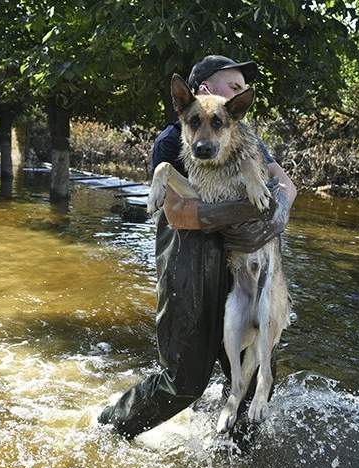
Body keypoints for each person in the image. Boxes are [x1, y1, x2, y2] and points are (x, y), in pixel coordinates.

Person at [98, 55, 297, 441]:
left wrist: (278, 215)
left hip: (238, 261)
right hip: (188, 263)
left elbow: (286, 184)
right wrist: (242, 210)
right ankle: (110, 428)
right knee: (185, 380)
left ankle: (233, 461)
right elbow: (178, 214)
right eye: (233, 86)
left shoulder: (244, 138)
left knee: (254, 369)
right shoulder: (173, 139)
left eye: (242, 91)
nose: (239, 95)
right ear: (204, 90)